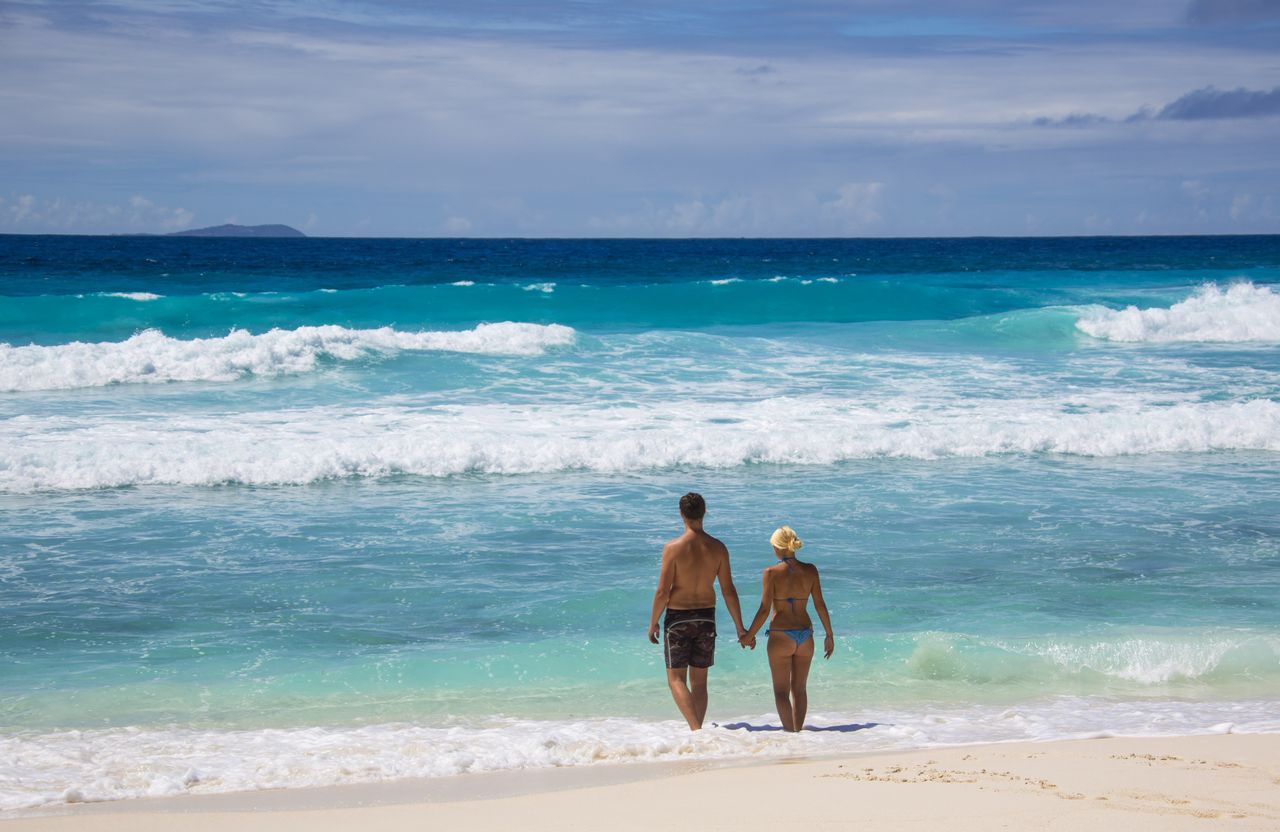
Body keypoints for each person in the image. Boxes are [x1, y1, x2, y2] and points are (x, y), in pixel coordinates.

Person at [647, 492, 749, 731]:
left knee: (676, 679)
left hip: (678, 618)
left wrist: (653, 623)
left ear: (681, 514)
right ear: (704, 513)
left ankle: (696, 730)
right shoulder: (718, 548)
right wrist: (739, 626)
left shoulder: (672, 548)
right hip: (706, 618)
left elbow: (662, 591)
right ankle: (699, 732)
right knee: (700, 682)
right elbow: (728, 590)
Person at [741, 525, 834, 732]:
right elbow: (820, 604)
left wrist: (749, 635)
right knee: (799, 689)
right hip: (805, 635)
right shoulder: (810, 570)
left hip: (781, 636)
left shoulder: (771, 573)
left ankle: (791, 734)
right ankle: (798, 733)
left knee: (781, 692)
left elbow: (765, 609)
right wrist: (829, 634)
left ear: (778, 547)